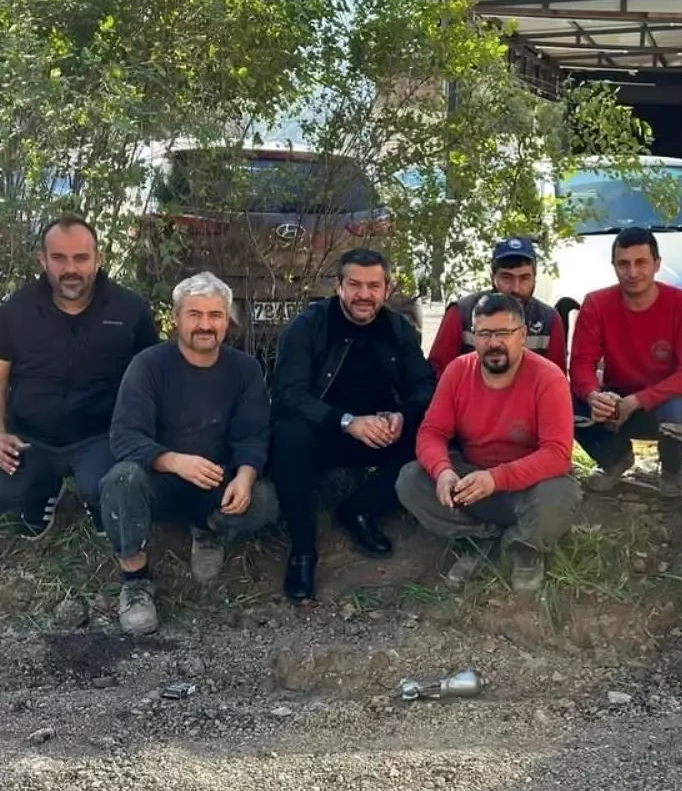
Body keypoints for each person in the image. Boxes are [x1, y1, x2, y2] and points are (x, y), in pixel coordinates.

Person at [100, 273, 277, 635]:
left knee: (265, 500)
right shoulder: (148, 366)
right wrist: (174, 460)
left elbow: (254, 435)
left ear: (228, 321)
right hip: (160, 481)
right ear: (176, 319)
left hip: (217, 482)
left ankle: (208, 529)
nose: (205, 325)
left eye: (215, 315)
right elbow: (124, 435)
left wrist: (244, 476)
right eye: (194, 314)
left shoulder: (245, 370)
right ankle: (135, 581)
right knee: (119, 479)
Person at [271, 248, 435, 602]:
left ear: (387, 289)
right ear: (339, 286)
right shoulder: (309, 325)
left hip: (378, 431)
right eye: (355, 284)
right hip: (323, 430)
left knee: (429, 432)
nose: (364, 294)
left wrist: (402, 415)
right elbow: (288, 394)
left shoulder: (396, 328)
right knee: (287, 435)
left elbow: (424, 385)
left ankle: (360, 510)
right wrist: (345, 421)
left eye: (373, 285)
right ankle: (303, 551)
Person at [397, 292, 581, 593]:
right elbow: (432, 431)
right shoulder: (458, 371)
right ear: (474, 336)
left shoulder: (549, 378)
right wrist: (443, 470)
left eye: (503, 333)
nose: (493, 343)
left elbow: (558, 454)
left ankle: (525, 549)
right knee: (411, 480)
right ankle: (482, 540)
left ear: (522, 335)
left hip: (528, 487)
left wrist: (497, 478)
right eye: (484, 334)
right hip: (472, 481)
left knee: (558, 496)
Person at [0, 215, 158, 538]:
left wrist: (141, 437)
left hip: (100, 437)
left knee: (114, 487)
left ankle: (94, 494)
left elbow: (150, 380)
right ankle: (42, 487)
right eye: (58, 258)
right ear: (42, 259)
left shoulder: (131, 310)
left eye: (81, 257)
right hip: (28, 437)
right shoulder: (15, 311)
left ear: (99, 259)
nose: (70, 269)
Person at [570, 227, 682, 495]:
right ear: (614, 266)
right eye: (624, 264)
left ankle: (672, 467)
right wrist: (595, 395)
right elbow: (580, 365)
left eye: (641, 263)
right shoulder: (596, 303)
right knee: (564, 399)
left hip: (663, 403)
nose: (632, 273)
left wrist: (637, 401)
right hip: (615, 401)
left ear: (657, 265)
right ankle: (614, 459)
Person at [427, 237, 566, 377]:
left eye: (524, 278)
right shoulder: (461, 312)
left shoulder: (549, 319)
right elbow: (438, 373)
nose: (516, 288)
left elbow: (557, 378)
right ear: (492, 277)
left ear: (534, 278)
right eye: (507, 277)